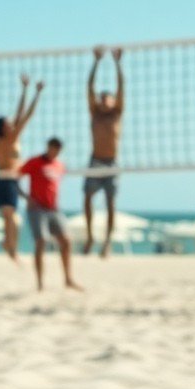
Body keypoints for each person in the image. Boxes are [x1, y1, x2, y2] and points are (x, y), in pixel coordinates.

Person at [0, 75, 43, 264]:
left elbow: (22, 114)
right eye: (8, 123)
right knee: (11, 219)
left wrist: (29, 91)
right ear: (3, 127)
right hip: (4, 182)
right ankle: (10, 247)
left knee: (11, 219)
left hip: (10, 181)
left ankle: (9, 245)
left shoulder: (1, 140)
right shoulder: (5, 140)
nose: (11, 124)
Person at [18, 137, 81, 292]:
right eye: (54, 147)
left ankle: (68, 279)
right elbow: (15, 179)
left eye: (59, 149)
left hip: (54, 209)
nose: (56, 151)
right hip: (36, 209)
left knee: (66, 241)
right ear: (48, 147)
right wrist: (26, 197)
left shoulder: (59, 165)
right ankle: (40, 283)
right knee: (41, 242)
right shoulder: (34, 162)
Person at [83, 46, 125, 257]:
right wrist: (96, 62)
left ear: (113, 100)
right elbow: (89, 88)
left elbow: (122, 87)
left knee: (111, 203)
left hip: (111, 162)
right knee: (87, 198)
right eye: (101, 98)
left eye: (107, 98)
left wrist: (118, 64)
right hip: (95, 161)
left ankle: (107, 242)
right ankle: (90, 237)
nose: (103, 101)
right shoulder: (95, 114)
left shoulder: (117, 113)